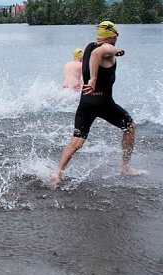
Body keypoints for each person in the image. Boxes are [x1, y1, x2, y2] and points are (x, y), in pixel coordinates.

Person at [51, 21, 140, 184]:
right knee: (130, 126)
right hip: (103, 103)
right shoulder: (107, 48)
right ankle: (125, 167)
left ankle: (57, 173)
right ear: (112, 36)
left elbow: (94, 53)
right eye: (116, 36)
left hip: (86, 102)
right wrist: (94, 78)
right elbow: (99, 52)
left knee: (77, 140)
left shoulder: (88, 46)